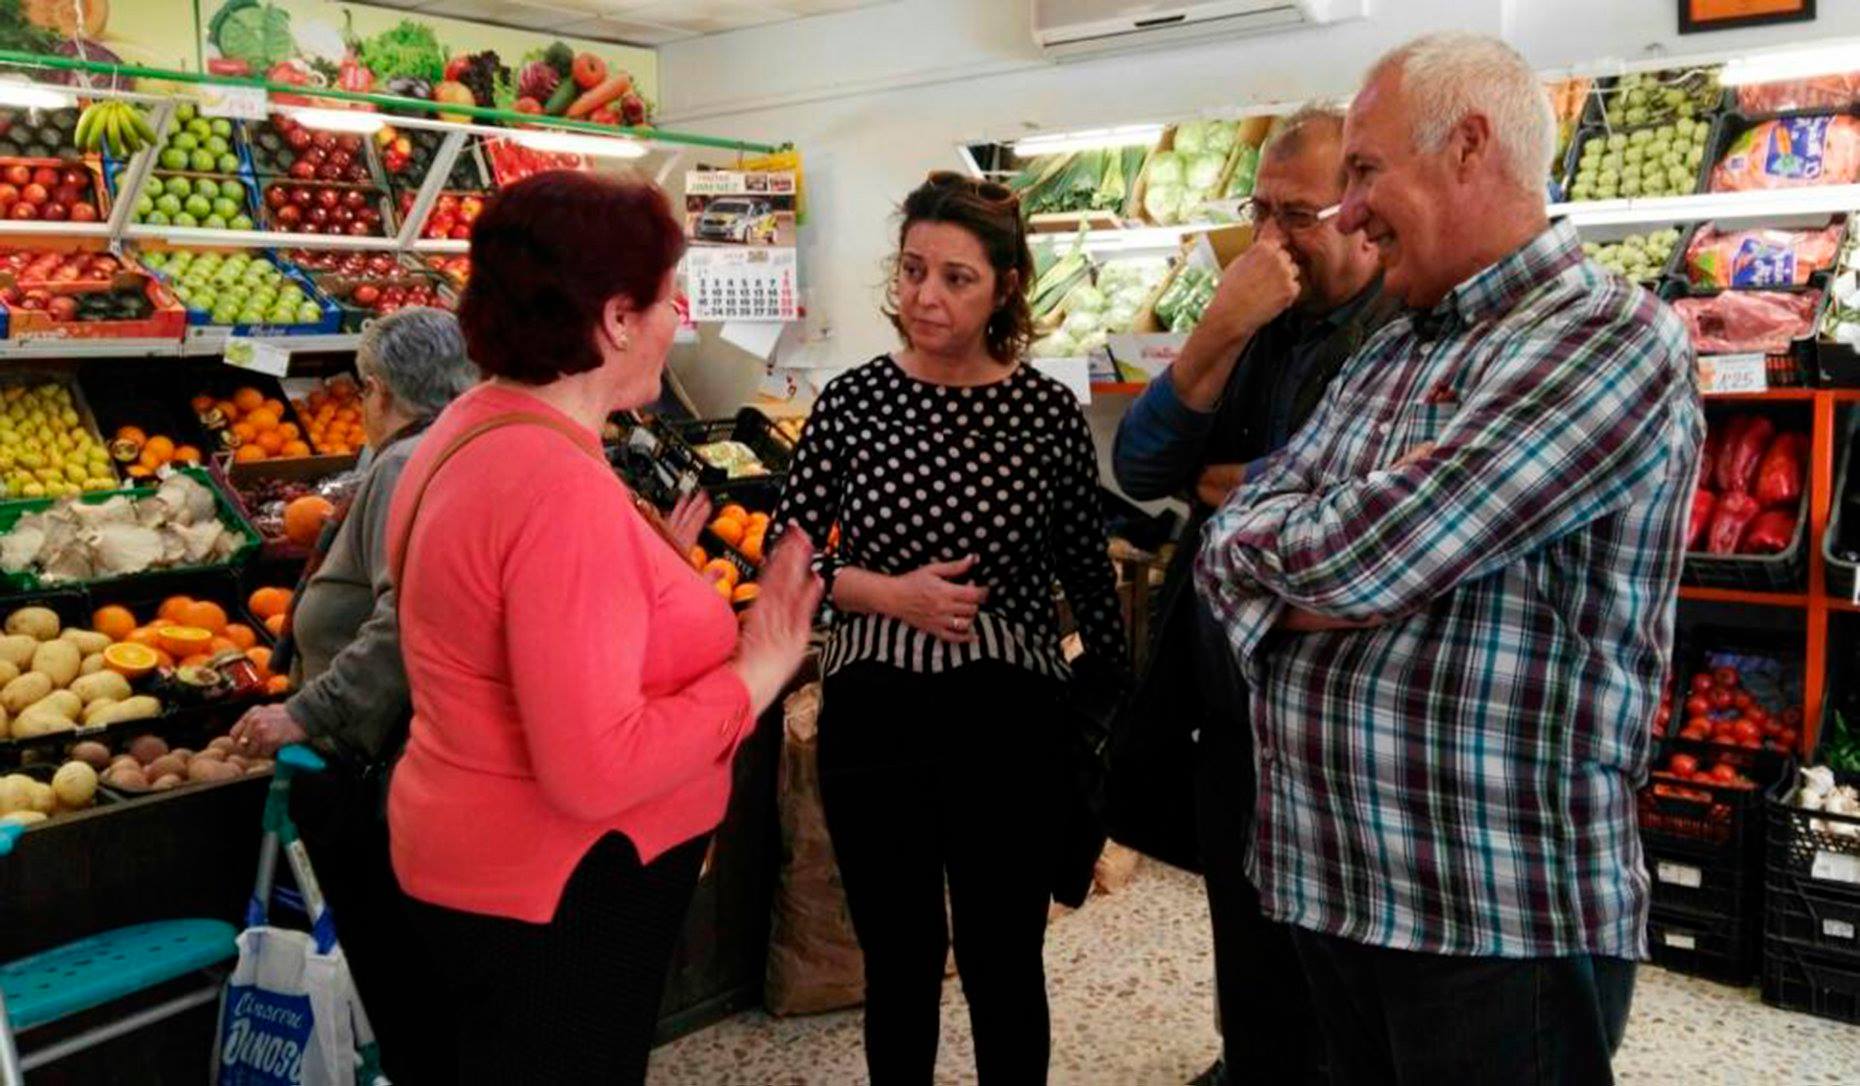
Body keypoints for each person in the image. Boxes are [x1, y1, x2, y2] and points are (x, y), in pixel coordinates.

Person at [1195, 33, 1702, 1084]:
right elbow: (1233, 535)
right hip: (1328, 887)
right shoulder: (1391, 345)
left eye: (1367, 171)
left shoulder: (1610, 338)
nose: (1346, 213)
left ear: (1469, 145)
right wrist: (1313, 570)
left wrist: (1301, 577)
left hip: (1491, 918)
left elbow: (1376, 552)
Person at [383, 170, 820, 1084]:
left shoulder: (471, 426)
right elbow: (595, 768)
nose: (680, 315)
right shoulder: (555, 485)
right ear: (618, 319)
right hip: (555, 890)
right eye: (668, 297)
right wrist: (758, 668)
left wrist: (643, 563)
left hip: (470, 867)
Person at [773, 171, 1127, 1085]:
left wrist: (1104, 723)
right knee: (899, 966)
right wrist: (890, 594)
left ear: (1006, 286)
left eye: (956, 278)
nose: (925, 296)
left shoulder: (1045, 413)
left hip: (1009, 731)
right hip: (875, 725)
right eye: (912, 270)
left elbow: (1090, 573)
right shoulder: (854, 403)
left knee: (1005, 963)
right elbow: (787, 558)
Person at [1110, 105, 1397, 1086]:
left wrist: (1249, 483)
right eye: (1260, 210)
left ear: (1359, 209)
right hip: (1231, 699)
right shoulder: (1255, 322)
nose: (1273, 239)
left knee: (1339, 942)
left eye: (1298, 215)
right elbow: (1146, 464)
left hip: (1340, 706)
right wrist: (1218, 328)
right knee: (1245, 918)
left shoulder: (1402, 333)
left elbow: (1346, 518)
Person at [229, 306, 478, 1082]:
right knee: (415, 980)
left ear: (376, 392)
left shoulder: (405, 465)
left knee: (393, 977)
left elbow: (404, 618)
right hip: (405, 764)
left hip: (372, 768)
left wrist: (308, 708)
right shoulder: (446, 450)